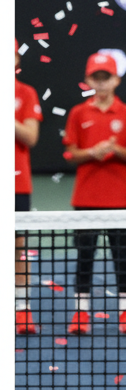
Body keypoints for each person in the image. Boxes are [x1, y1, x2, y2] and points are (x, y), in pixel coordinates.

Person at [63, 52, 126, 336]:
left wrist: (115, 149)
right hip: (85, 200)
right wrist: (91, 152)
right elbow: (70, 152)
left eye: (106, 77)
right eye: (96, 77)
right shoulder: (78, 113)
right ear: (88, 80)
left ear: (116, 80)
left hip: (119, 200)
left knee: (123, 259)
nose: (101, 82)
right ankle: (81, 314)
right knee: (84, 258)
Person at [15, 41, 42, 335]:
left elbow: (31, 137)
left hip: (16, 181)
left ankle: (22, 309)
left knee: (17, 247)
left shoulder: (26, 93)